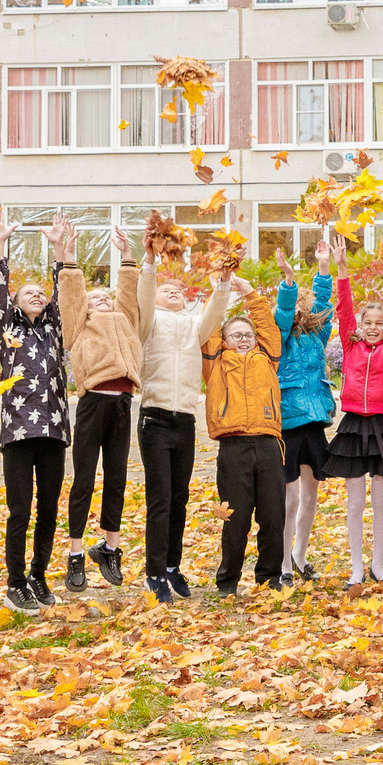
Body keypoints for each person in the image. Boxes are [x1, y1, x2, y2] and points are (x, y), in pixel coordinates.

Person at [134, 221, 228, 602]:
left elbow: (214, 315)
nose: (173, 292)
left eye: (178, 290)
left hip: (184, 420)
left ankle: (172, 567)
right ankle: (153, 572)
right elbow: (143, 296)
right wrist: (151, 262)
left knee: (180, 497)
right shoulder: (149, 322)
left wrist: (222, 282)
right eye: (166, 290)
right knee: (159, 497)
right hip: (154, 417)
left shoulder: (193, 326)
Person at [0, 221, 71, 613]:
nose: (36, 296)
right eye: (27, 293)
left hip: (53, 429)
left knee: (49, 508)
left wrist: (59, 254)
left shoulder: (55, 327)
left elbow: (66, 295)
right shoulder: (7, 329)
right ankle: (14, 582)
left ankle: (38, 573)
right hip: (18, 431)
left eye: (40, 293)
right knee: (20, 509)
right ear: (16, 303)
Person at [55, 220, 140, 591]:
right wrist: (69, 260)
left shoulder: (125, 320)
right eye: (97, 297)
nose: (103, 299)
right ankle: (75, 554)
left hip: (122, 404)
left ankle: (110, 547)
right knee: (85, 481)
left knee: (117, 478)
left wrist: (126, 256)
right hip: (93, 404)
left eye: (107, 296)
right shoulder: (79, 325)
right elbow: (72, 296)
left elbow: (127, 293)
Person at [200, 260, 285, 594]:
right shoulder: (215, 361)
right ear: (224, 340)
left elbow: (268, 327)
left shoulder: (267, 357)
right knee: (235, 518)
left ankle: (269, 578)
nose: (245, 339)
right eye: (236, 335)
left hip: (268, 444)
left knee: (272, 516)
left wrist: (249, 291)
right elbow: (208, 328)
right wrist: (222, 288)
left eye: (248, 335)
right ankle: (227, 581)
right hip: (233, 446)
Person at [330, 262, 383, 588]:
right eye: (368, 322)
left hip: (382, 427)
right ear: (359, 325)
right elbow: (344, 308)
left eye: (379, 323)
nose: (374, 327)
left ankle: (378, 564)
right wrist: (343, 270)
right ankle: (357, 567)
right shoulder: (350, 345)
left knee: (379, 502)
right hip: (352, 428)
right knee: (355, 502)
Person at [273, 239, 338, 585]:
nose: (301, 307)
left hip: (314, 421)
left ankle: (299, 553)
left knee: (312, 490)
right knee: (291, 494)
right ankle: (283, 562)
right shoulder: (280, 338)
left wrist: (324, 267)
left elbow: (325, 302)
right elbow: (283, 314)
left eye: (304, 301)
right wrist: (288, 279)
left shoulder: (318, 335)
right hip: (287, 421)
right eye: (295, 302)